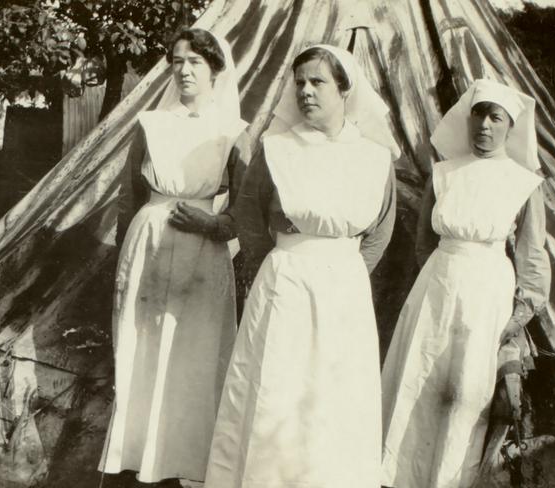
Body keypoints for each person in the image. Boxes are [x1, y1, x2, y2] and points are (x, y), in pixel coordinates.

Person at [204, 45, 398, 488]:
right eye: (300, 83)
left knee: (333, 395)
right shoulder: (276, 149)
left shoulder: (374, 157)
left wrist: (341, 274)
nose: (306, 92)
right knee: (278, 390)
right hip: (285, 280)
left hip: (344, 287)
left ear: (345, 90)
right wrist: (281, 267)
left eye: (318, 82)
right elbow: (250, 219)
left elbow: (381, 230)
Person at [380, 79, 550, 488]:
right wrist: (442, 280)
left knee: (465, 395)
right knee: (417, 383)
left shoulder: (523, 183)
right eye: (479, 114)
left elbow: (532, 255)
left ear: (511, 126)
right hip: (436, 288)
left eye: (496, 117)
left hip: (487, 295)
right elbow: (425, 240)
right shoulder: (444, 173)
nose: (485, 125)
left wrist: (520, 312)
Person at [98, 28, 248, 486]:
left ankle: (191, 467)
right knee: (141, 348)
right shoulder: (151, 125)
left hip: (203, 254)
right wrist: (126, 265)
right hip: (149, 246)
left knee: (194, 357)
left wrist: (214, 225)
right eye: (177, 62)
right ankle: (138, 461)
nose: (184, 71)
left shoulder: (233, 133)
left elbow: (246, 209)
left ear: (215, 71)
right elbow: (129, 197)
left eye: (195, 63)